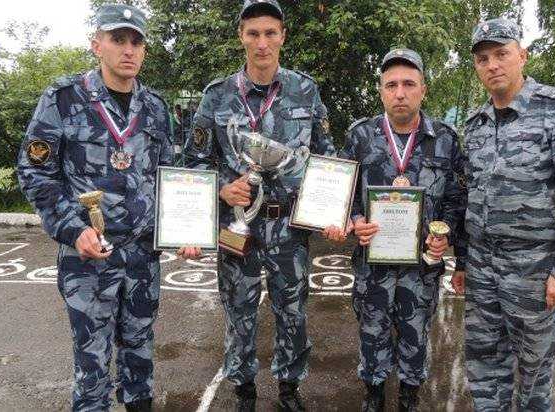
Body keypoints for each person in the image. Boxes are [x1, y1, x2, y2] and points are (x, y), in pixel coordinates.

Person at [17, 4, 200, 411]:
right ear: (97, 44)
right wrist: (72, 228)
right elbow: (35, 172)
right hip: (89, 257)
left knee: (140, 356)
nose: (128, 49)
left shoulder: (155, 107)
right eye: (118, 39)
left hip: (142, 255)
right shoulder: (63, 99)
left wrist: (184, 230)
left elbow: (169, 178)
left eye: (137, 42)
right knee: (92, 365)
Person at [188, 1, 336, 410]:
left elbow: (326, 156)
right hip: (238, 228)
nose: (262, 43)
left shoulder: (305, 90)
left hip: (289, 226)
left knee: (293, 311)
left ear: (282, 36)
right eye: (253, 33)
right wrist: (222, 189)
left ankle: (289, 388)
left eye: (271, 33)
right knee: (239, 311)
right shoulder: (217, 96)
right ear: (241, 37)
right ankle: (244, 390)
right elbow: (194, 162)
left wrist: (332, 208)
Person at [459, 17, 555, 411]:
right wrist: (463, 261)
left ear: (522, 56)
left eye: (501, 54)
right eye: (483, 59)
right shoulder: (475, 124)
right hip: (483, 269)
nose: (493, 65)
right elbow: (469, 196)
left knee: (534, 376)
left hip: (535, 272)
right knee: (484, 367)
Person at [341, 48, 467, 411]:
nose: (400, 93)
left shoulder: (445, 138)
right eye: (391, 85)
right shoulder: (361, 136)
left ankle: (410, 395)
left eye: (409, 84)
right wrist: (355, 220)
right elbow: (343, 194)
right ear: (381, 91)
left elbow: (457, 199)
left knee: (416, 332)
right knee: (372, 330)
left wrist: (445, 236)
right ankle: (374, 393)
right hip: (373, 262)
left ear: (423, 90)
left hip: (422, 266)